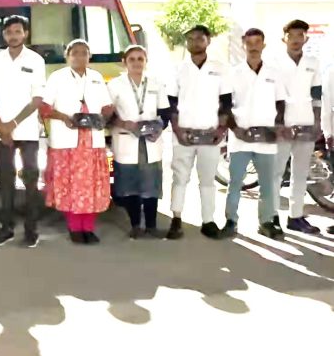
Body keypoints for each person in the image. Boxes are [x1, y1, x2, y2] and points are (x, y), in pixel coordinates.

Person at [41, 40, 113, 245]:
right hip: (67, 142)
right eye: (75, 53)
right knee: (71, 186)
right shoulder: (57, 77)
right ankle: (74, 228)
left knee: (91, 186)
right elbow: (44, 108)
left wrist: (103, 117)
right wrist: (64, 117)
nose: (80, 57)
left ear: (90, 57)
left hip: (92, 143)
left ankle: (88, 228)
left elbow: (107, 106)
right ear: (67, 56)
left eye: (84, 53)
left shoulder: (96, 77)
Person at [167, 25, 232, 240]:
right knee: (180, 178)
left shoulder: (220, 68)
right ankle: (176, 218)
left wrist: (221, 129)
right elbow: (171, 102)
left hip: (210, 133)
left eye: (199, 38)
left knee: (207, 180)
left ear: (208, 41)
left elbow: (226, 102)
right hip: (183, 133)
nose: (195, 42)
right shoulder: (178, 69)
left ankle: (208, 221)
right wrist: (177, 130)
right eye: (191, 39)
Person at [0, 15, 46, 248]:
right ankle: (6, 228)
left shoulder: (36, 60)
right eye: (9, 32)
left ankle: (31, 230)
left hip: (27, 131)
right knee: (6, 181)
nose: (13, 35)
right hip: (2, 133)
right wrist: (1, 126)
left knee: (31, 181)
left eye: (18, 31)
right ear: (4, 35)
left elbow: (37, 99)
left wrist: (12, 124)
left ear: (25, 34)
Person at [223, 28, 286, 240]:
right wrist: (236, 130)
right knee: (235, 183)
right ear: (243, 45)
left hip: (266, 139)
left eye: (257, 42)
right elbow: (224, 106)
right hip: (240, 138)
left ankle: (266, 222)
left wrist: (277, 128)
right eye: (249, 43)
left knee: (267, 185)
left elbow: (281, 104)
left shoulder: (274, 73)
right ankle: (231, 221)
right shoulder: (233, 73)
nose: (253, 47)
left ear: (263, 45)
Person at [108, 46, 170, 239]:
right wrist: (123, 123)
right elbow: (108, 115)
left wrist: (159, 128)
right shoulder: (115, 85)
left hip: (150, 142)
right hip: (127, 139)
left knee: (151, 187)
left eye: (140, 59)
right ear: (124, 62)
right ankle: (135, 225)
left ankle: (151, 226)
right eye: (132, 59)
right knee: (129, 187)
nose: (136, 63)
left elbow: (165, 113)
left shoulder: (156, 83)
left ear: (146, 62)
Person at [270, 20, 322, 234]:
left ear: (306, 38)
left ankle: (296, 217)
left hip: (306, 124)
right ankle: (270, 217)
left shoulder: (313, 62)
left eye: (300, 35)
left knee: (300, 174)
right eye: (291, 35)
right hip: (281, 126)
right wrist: (277, 124)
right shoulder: (273, 62)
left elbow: (317, 95)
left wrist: (317, 122)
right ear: (284, 38)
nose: (296, 39)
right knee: (275, 173)